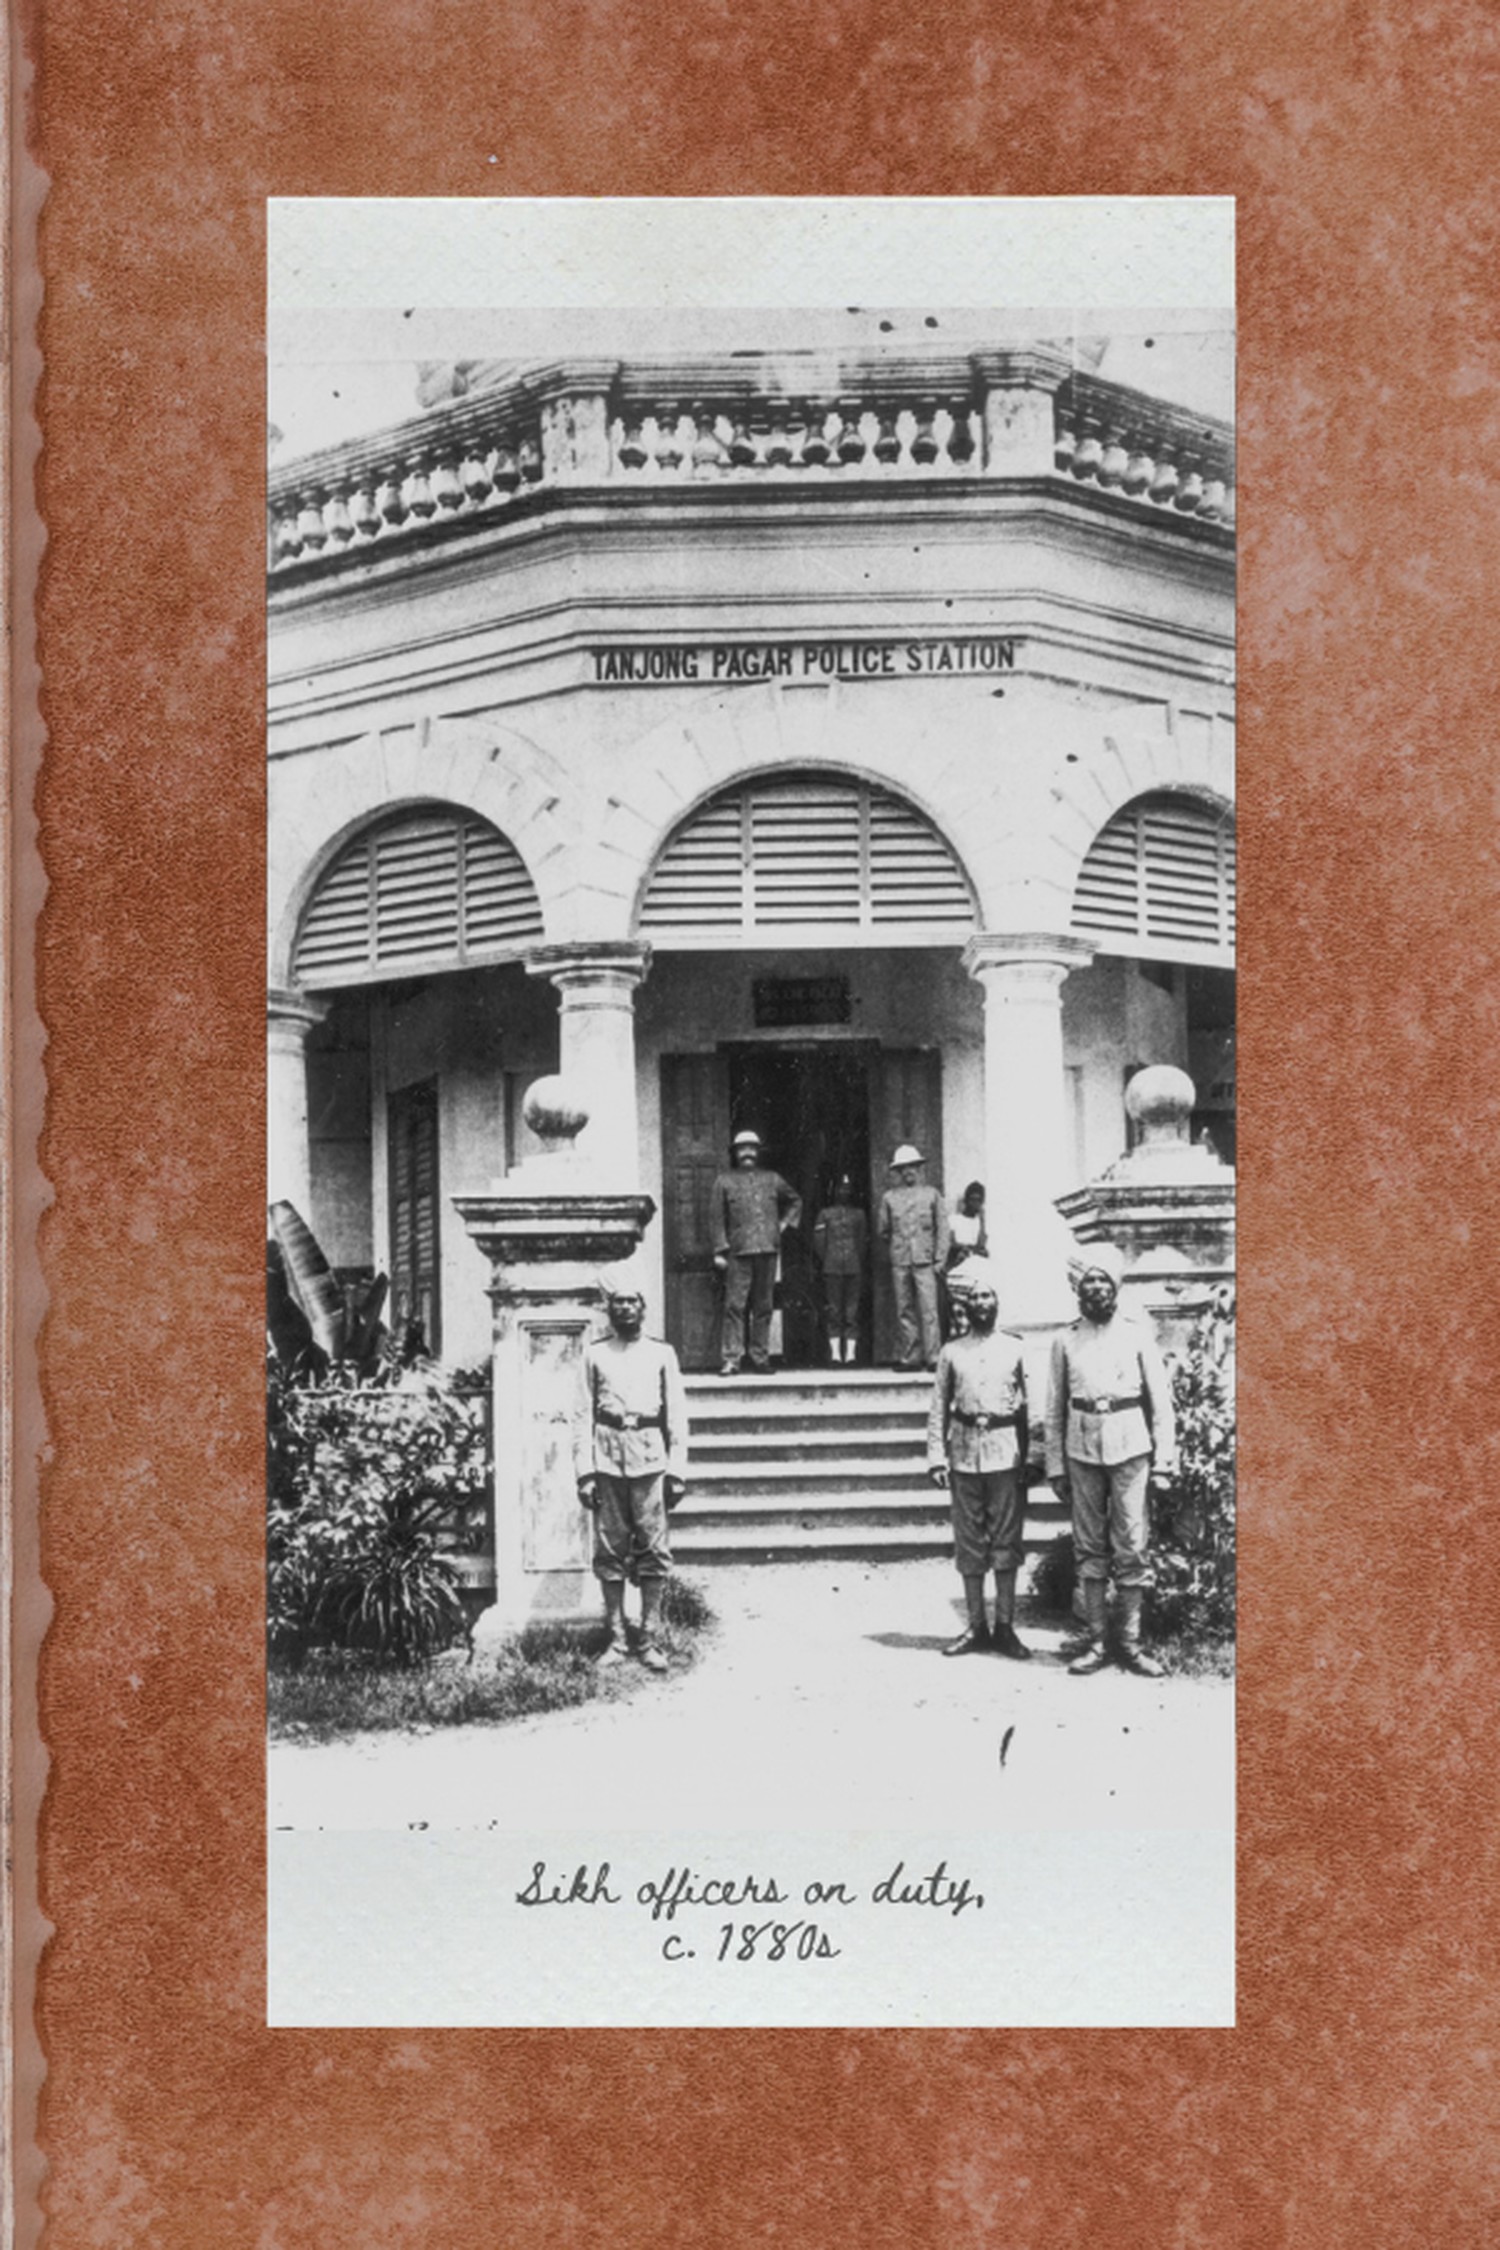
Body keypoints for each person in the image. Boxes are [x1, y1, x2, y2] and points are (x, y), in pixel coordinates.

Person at [1044, 1243, 1177, 1677]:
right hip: (1082, 1451)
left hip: (1131, 1449)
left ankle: (1131, 1644)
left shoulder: (1137, 1333)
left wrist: (1164, 1463)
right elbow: (1053, 1408)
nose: (1097, 1288)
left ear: (1115, 1287)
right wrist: (1056, 1466)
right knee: (1089, 1548)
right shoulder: (1065, 1340)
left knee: (1133, 1545)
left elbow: (1161, 1404)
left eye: (1103, 1280)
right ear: (1078, 1291)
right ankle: (1098, 1642)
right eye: (1089, 1282)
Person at [574, 1267, 689, 1671]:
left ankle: (649, 1638)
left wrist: (677, 1470)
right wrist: (585, 1472)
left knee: (653, 1550)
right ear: (609, 1309)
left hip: (650, 1461)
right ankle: (618, 1639)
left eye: (631, 1302)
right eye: (618, 1302)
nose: (624, 1308)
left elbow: (676, 1414)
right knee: (609, 1550)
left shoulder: (661, 1353)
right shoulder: (595, 1353)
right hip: (606, 1460)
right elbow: (580, 1414)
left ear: (643, 1308)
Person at [926, 1262, 1032, 1659]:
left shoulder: (1016, 1347)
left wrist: (1034, 1455)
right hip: (965, 1454)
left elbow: (1033, 1408)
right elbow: (938, 1407)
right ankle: (976, 1626)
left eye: (987, 1296)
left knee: (1006, 1542)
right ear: (963, 1306)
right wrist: (937, 1457)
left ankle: (1005, 1627)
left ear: (997, 1302)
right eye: (974, 1298)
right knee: (969, 1543)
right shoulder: (952, 1352)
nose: (981, 1303)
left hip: (1006, 1454)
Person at [711, 1129, 802, 1375]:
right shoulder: (724, 1181)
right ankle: (731, 1359)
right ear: (736, 1153)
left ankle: (760, 1357)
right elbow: (717, 1217)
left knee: (763, 1306)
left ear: (758, 1152)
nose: (748, 1153)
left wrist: (782, 1225)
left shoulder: (772, 1179)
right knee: (734, 1306)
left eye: (752, 1148)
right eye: (743, 1149)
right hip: (737, 1252)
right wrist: (720, 1250)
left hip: (767, 1249)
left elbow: (795, 1200)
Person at [878, 1143, 948, 1369]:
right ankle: (911, 1357)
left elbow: (943, 1229)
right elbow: (883, 1230)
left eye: (912, 1167)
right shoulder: (889, 1198)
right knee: (904, 1309)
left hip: (925, 1260)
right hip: (900, 1260)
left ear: (919, 1169)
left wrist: (940, 1259)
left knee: (929, 1310)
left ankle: (933, 1357)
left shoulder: (932, 1195)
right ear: (898, 1172)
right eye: (903, 1168)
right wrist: (899, 1247)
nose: (908, 1172)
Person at [812, 1174, 868, 1364]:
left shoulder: (859, 1214)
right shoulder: (824, 1214)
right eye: (840, 1188)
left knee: (852, 1311)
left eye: (847, 1188)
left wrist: (855, 1260)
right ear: (833, 1191)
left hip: (854, 1268)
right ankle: (836, 1354)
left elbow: (862, 1243)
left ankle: (850, 1354)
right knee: (834, 1311)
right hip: (832, 1268)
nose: (844, 1192)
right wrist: (828, 1259)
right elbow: (819, 1243)